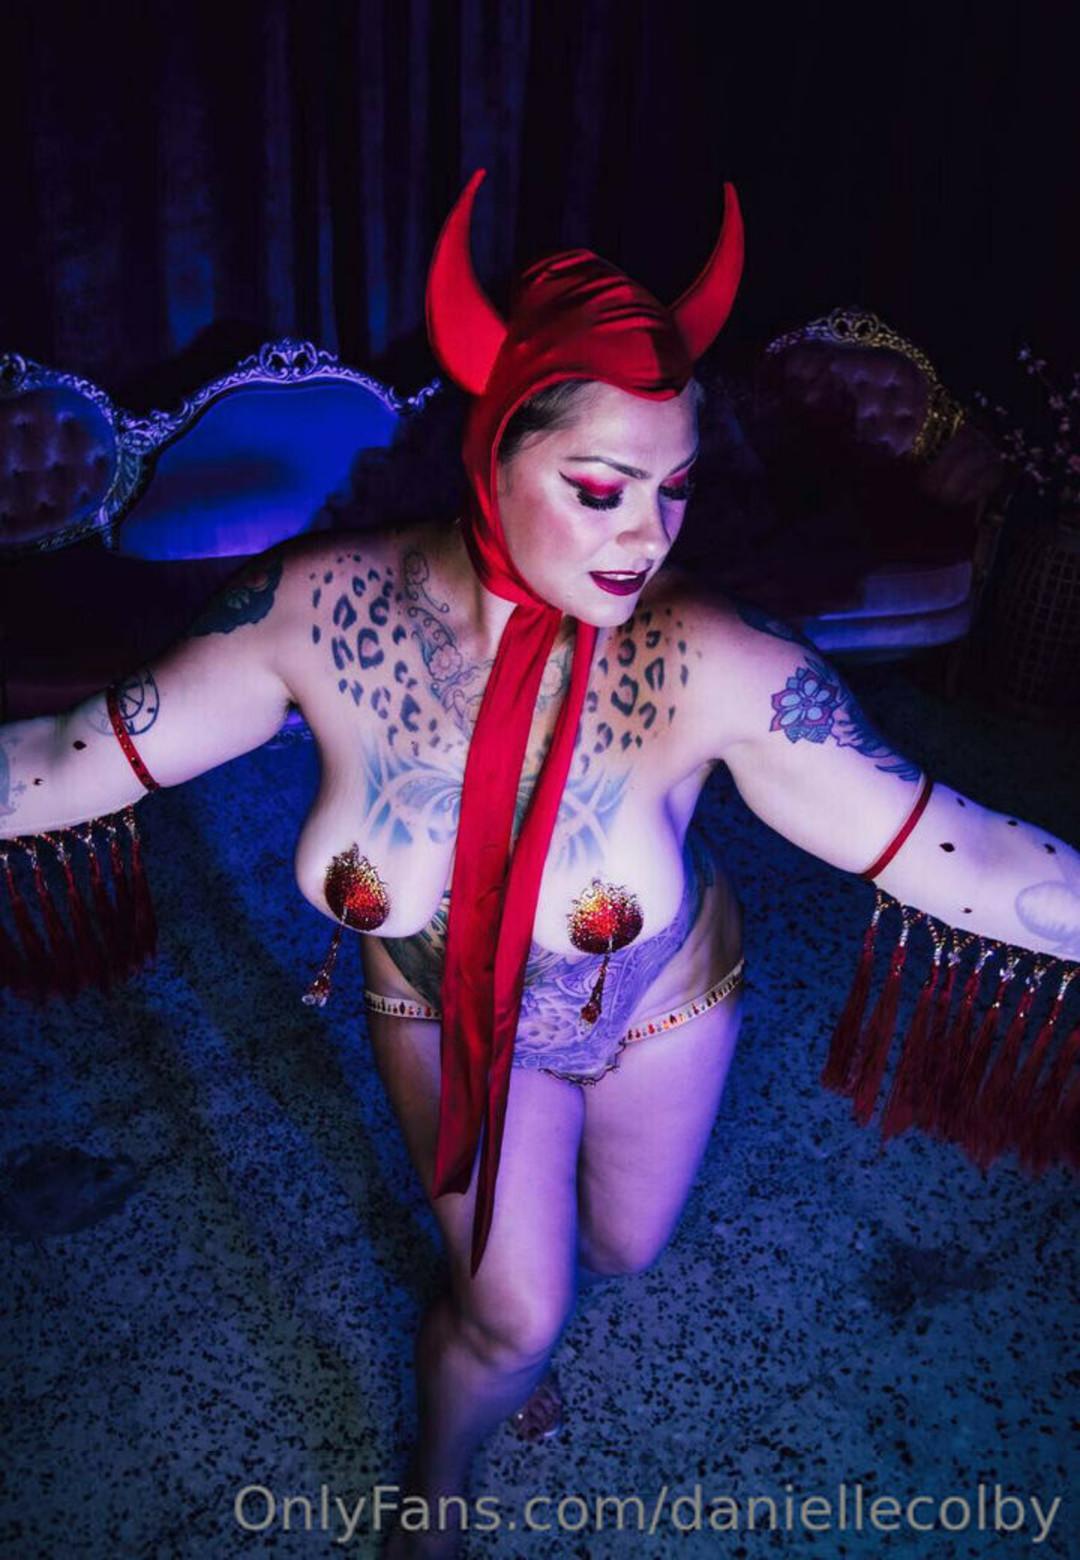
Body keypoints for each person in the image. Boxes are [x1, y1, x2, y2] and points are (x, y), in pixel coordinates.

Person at [1, 173, 1077, 1559]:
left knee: (623, 1248)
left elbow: (956, 844)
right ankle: (443, 1472)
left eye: (675, 489)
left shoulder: (713, 658)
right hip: (441, 1010)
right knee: (517, 1313)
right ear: (494, 450)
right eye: (600, 489)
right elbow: (69, 755)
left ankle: (509, 1300)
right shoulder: (310, 612)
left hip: (658, 1006)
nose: (648, 536)